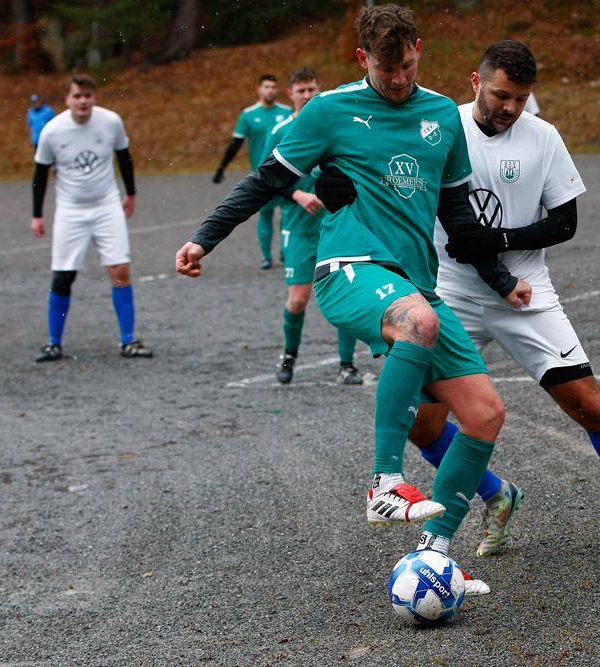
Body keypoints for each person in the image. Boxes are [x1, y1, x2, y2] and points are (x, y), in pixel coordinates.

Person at [176, 4, 530, 593]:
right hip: (348, 269)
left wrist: (498, 279)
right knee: (417, 322)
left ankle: (435, 556)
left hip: (414, 283)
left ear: (420, 49)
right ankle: (385, 485)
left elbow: (459, 216)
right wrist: (203, 239)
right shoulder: (329, 111)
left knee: (485, 412)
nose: (398, 80)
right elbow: (266, 179)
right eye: (387, 69)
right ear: (364, 58)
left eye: (408, 66)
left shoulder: (443, 114)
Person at [322, 41, 600, 555]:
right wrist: (335, 181)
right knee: (421, 424)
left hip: (527, 295)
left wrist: (499, 241)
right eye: (502, 95)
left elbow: (564, 222)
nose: (510, 108)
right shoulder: (434, 124)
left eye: (521, 98)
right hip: (447, 296)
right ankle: (495, 496)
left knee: (590, 407)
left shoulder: (543, 137)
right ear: (475, 82)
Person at [31, 74, 151, 362]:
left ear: (94, 97)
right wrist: (37, 214)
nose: (82, 101)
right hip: (70, 210)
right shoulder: (52, 130)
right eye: (77, 96)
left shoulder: (110, 121)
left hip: (107, 205)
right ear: (67, 99)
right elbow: (39, 175)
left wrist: (130, 193)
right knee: (63, 276)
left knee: (120, 269)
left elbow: (124, 157)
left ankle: (128, 341)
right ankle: (54, 343)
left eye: (88, 95)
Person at [262, 68, 365, 386]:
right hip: (298, 226)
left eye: (311, 89)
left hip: (335, 226)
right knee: (299, 298)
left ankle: (347, 364)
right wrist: (296, 193)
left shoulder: (336, 125)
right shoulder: (281, 130)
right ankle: (289, 355)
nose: (306, 95)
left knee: (345, 293)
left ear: (320, 90)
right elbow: (266, 179)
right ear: (290, 94)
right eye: (300, 90)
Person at [213, 74, 292, 270]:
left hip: (287, 173)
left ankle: (286, 252)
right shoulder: (248, 115)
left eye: (274, 87)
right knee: (265, 214)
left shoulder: (287, 112)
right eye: (266, 87)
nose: (270, 90)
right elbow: (235, 144)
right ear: (259, 89)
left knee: (288, 213)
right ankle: (266, 256)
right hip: (263, 174)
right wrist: (222, 168)